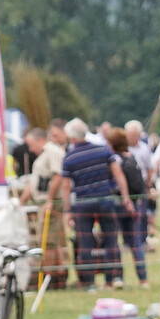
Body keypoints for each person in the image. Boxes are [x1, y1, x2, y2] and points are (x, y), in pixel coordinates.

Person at [50, 117, 130, 290]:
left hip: (82, 204)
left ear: (71, 137)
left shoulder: (69, 157)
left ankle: (88, 283)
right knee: (111, 239)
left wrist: (67, 210)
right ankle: (114, 278)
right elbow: (118, 173)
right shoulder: (103, 150)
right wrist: (125, 196)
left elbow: (65, 186)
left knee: (85, 242)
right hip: (105, 200)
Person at [107, 128, 148, 286]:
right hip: (134, 203)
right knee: (135, 241)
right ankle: (143, 278)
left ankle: (118, 278)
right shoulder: (133, 157)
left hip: (119, 203)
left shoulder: (113, 160)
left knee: (115, 241)